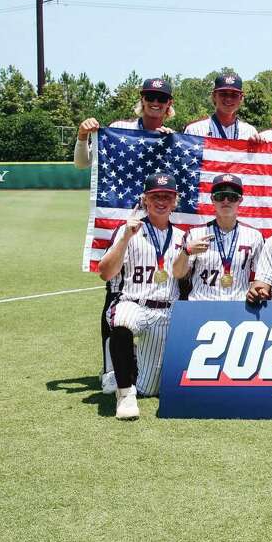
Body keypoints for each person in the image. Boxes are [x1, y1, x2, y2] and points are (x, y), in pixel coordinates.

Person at [73, 76, 176, 395]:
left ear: (169, 104)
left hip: (159, 230)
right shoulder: (119, 128)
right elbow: (82, 164)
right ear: (142, 98)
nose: (155, 102)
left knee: (161, 295)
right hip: (126, 229)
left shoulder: (172, 137)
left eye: (161, 98)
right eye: (150, 96)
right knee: (115, 297)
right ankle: (110, 369)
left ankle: (147, 363)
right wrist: (82, 137)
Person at [96, 172, 187, 420]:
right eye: (155, 196)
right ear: (145, 199)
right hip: (133, 302)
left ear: (175, 201)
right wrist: (126, 236)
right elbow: (105, 273)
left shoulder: (182, 237)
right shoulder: (127, 230)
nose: (161, 201)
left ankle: (126, 361)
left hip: (165, 311)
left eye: (167, 196)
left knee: (149, 389)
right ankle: (124, 394)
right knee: (123, 322)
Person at [171, 173, 264, 301]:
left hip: (239, 306)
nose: (226, 201)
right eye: (220, 196)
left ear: (240, 200)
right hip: (201, 305)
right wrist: (186, 252)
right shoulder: (195, 234)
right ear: (212, 199)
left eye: (232, 197)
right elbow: (177, 274)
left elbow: (262, 276)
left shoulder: (254, 236)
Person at [183, 73, 259, 139]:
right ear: (214, 96)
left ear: (241, 98)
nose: (228, 99)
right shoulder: (194, 131)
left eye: (234, 95)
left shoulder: (250, 132)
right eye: (223, 93)